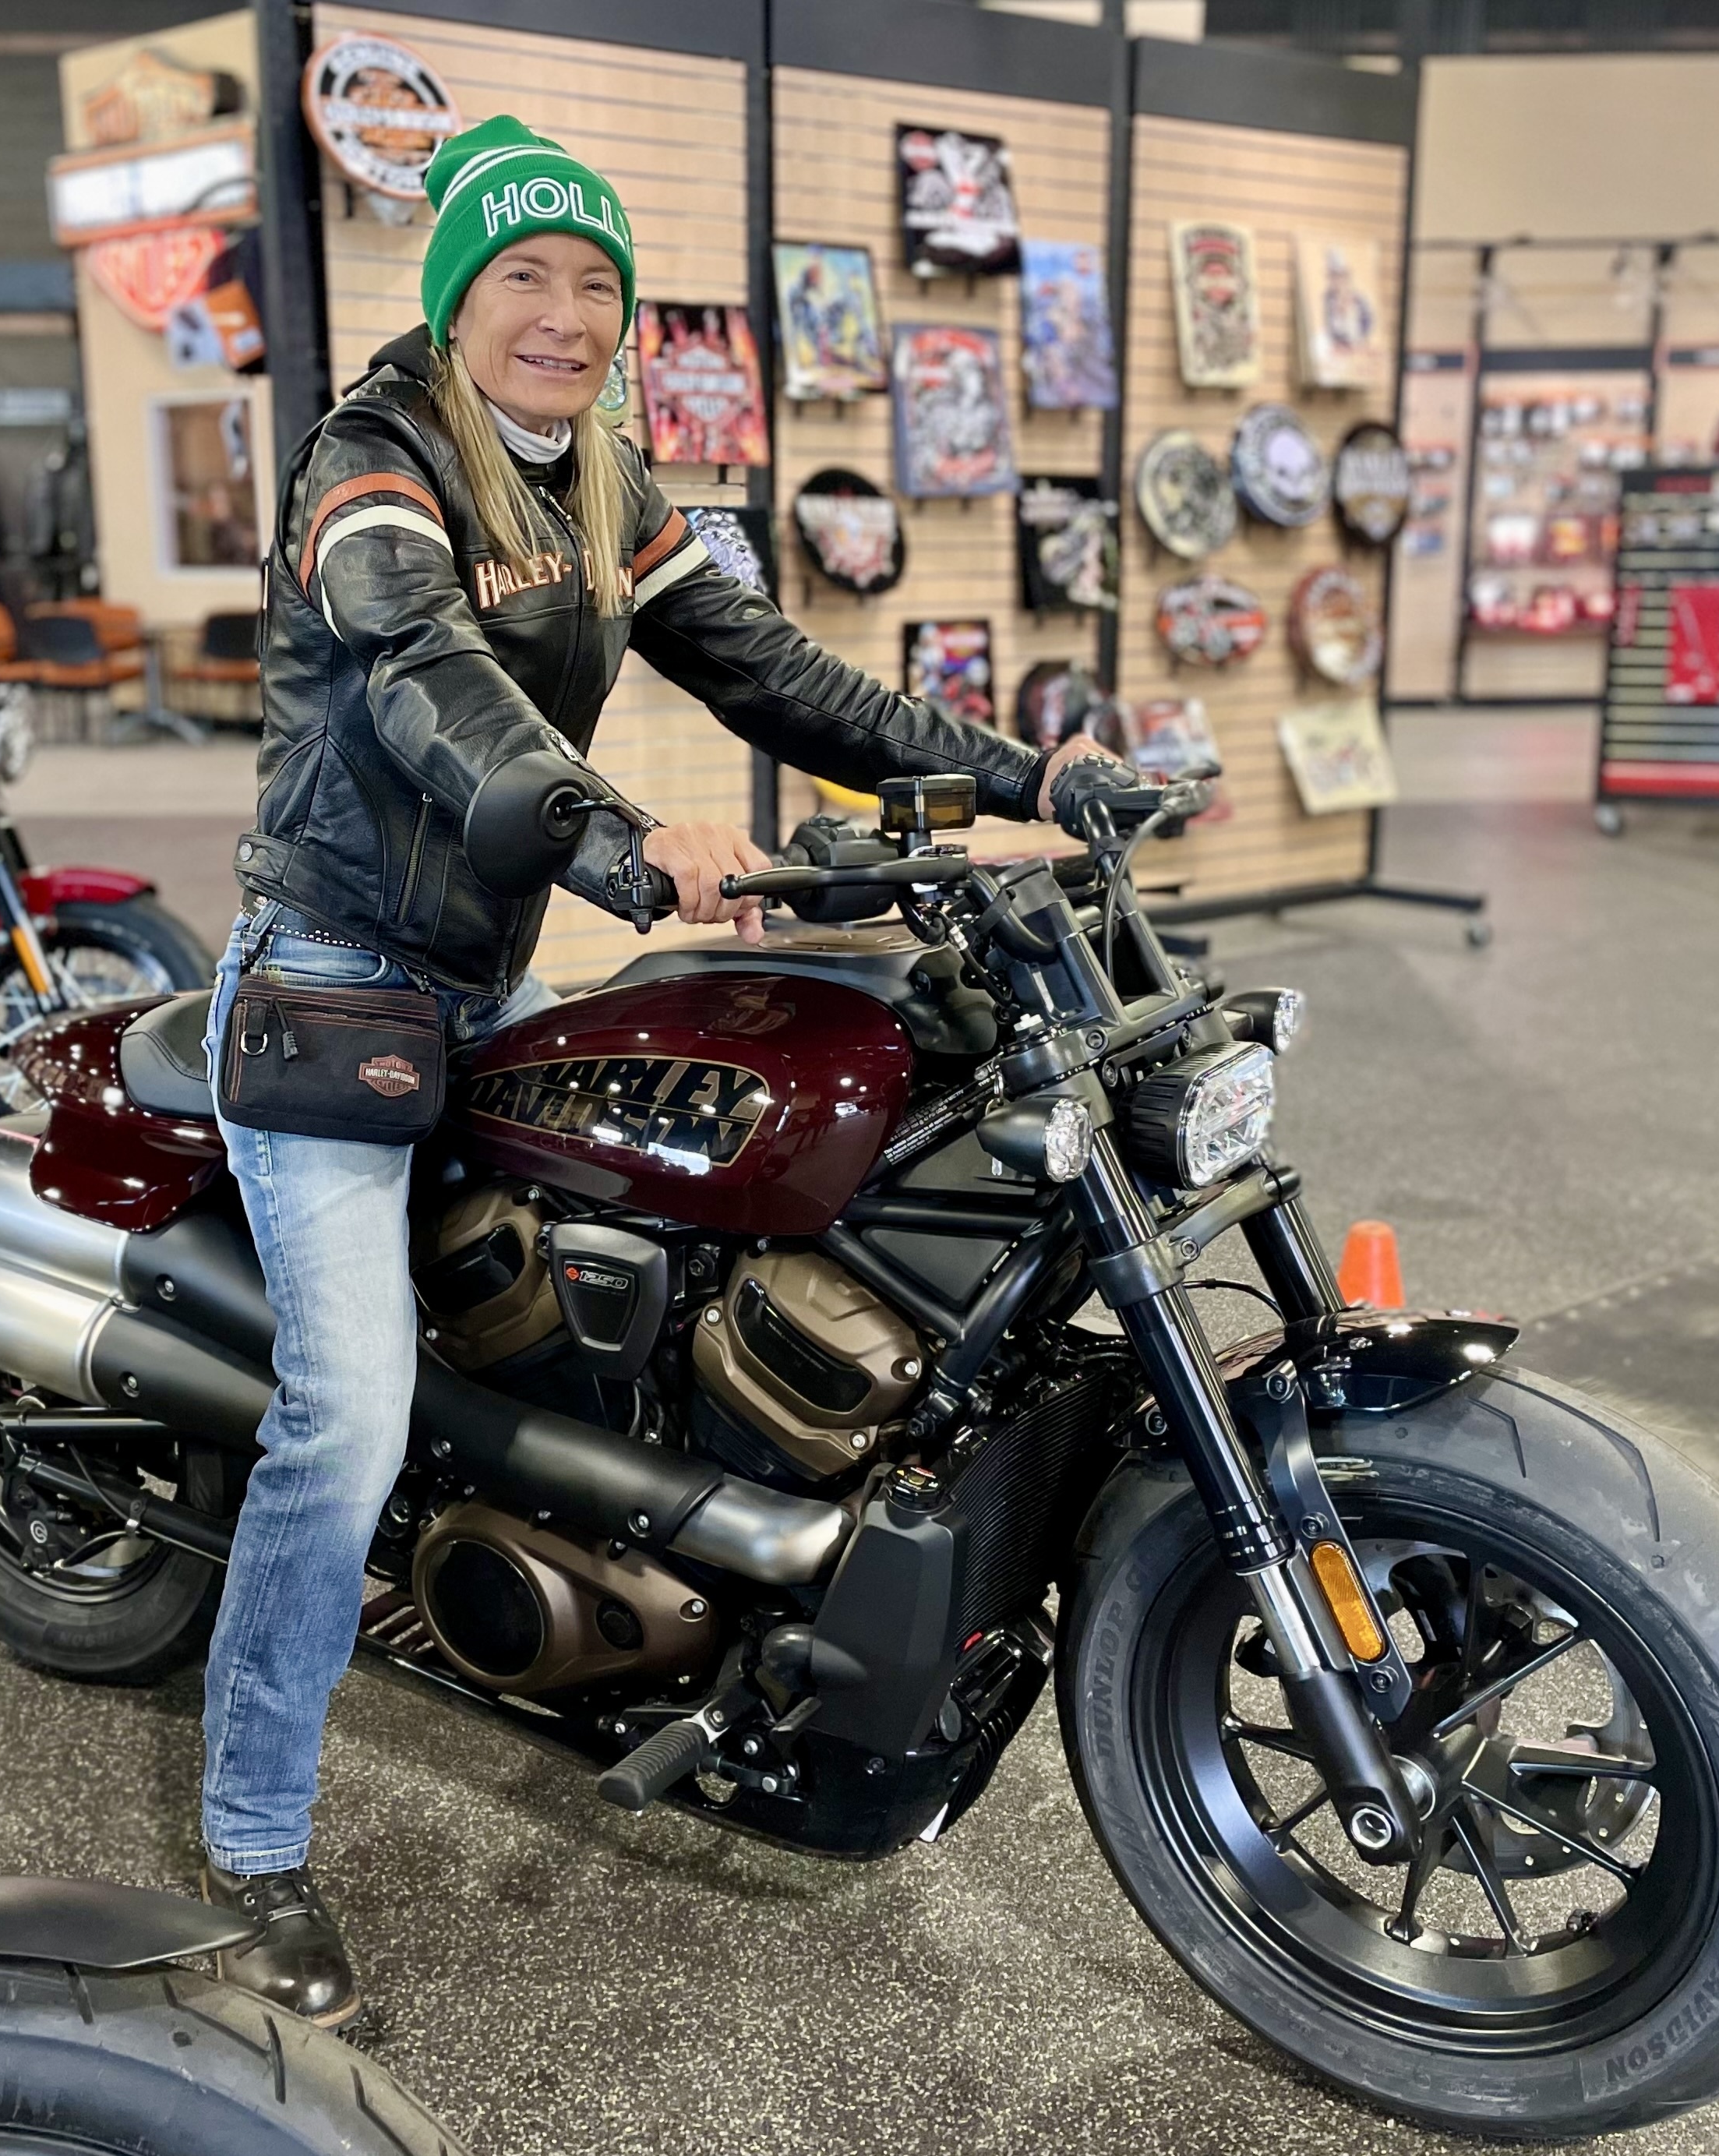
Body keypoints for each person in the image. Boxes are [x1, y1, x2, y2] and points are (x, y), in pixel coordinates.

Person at [199, 114, 1124, 2027]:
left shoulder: (609, 474)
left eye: (595, 283)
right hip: (336, 981)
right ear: (456, 298)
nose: (563, 313)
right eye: (522, 276)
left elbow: (781, 673)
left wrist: (1023, 774)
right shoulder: (373, 461)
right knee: (348, 1414)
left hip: (485, 973)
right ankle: (252, 1841)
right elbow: (427, 679)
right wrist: (615, 837)